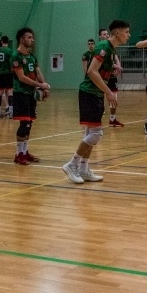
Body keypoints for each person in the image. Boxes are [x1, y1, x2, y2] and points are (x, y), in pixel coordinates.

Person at [63, 20, 131, 183]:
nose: (129, 35)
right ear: (117, 33)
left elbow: (100, 70)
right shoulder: (104, 47)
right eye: (126, 32)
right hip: (89, 93)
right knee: (96, 134)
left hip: (96, 94)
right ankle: (72, 164)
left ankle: (84, 169)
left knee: (90, 133)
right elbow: (92, 71)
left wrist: (111, 70)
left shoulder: (111, 49)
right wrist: (108, 92)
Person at [11, 27, 50, 165]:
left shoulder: (32, 56)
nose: (32, 40)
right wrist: (39, 85)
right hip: (21, 93)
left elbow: (38, 73)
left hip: (31, 94)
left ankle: (25, 152)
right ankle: (18, 154)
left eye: (32, 37)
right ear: (22, 39)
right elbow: (21, 77)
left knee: (29, 123)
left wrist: (44, 86)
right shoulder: (16, 56)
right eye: (29, 37)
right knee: (24, 123)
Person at [99, 28, 124, 127]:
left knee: (114, 98)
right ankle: (97, 120)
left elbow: (116, 59)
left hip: (112, 77)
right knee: (99, 98)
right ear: (100, 36)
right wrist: (116, 66)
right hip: (102, 77)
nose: (106, 36)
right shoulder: (101, 48)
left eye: (107, 34)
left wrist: (118, 67)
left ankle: (112, 119)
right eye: (103, 34)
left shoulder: (112, 47)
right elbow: (105, 62)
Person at [0, 35, 14, 118]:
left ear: (1, 41)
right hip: (8, 73)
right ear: (8, 41)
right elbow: (12, 63)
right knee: (10, 92)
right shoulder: (10, 51)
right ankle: (11, 112)